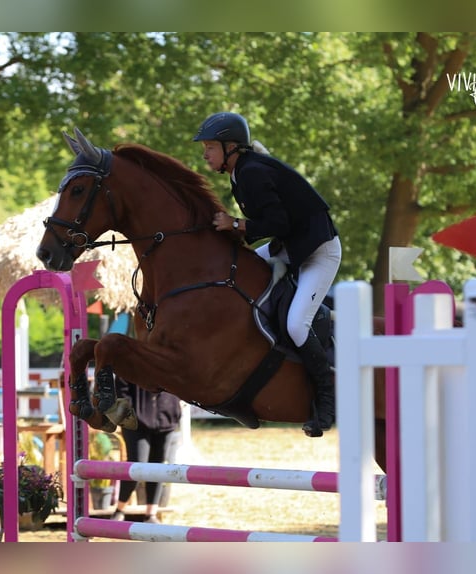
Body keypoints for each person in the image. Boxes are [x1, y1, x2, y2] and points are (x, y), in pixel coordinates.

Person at [193, 111, 342, 438]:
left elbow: (279, 224)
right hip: (291, 247)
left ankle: (327, 400)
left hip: (318, 252)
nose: (204, 154)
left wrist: (235, 224)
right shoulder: (239, 173)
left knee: (295, 323)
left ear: (231, 147)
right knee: (238, 272)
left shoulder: (252, 173)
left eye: (209, 147)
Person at [110, 377, 182, 523]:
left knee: (158, 465)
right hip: (136, 422)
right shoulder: (129, 357)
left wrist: (175, 405)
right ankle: (120, 509)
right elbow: (121, 389)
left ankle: (151, 514)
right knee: (137, 463)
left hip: (166, 416)